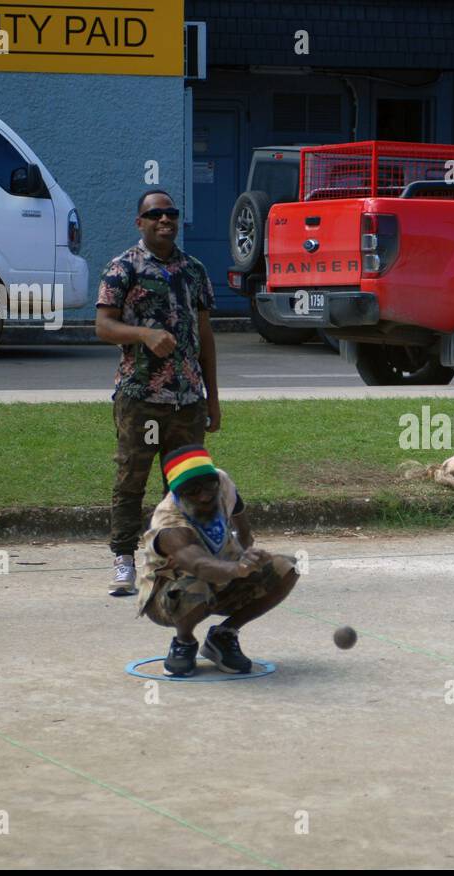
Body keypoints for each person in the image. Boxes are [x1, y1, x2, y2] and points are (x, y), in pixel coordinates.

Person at [95, 190, 222, 596]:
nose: (164, 220)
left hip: (187, 399)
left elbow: (205, 335)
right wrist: (144, 334)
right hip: (141, 397)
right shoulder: (123, 268)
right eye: (155, 215)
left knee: (184, 485)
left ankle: (175, 560)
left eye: (170, 213)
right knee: (131, 479)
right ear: (140, 222)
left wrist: (213, 397)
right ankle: (123, 560)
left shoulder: (194, 270)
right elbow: (103, 326)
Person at [137, 445, 299, 676]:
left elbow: (239, 512)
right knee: (195, 586)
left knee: (285, 568)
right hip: (170, 595)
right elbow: (199, 565)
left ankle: (224, 636)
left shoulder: (221, 481)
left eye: (208, 487)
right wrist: (238, 568)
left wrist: (247, 550)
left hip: (226, 576)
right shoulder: (169, 522)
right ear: (179, 494)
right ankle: (184, 642)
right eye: (193, 492)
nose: (204, 496)